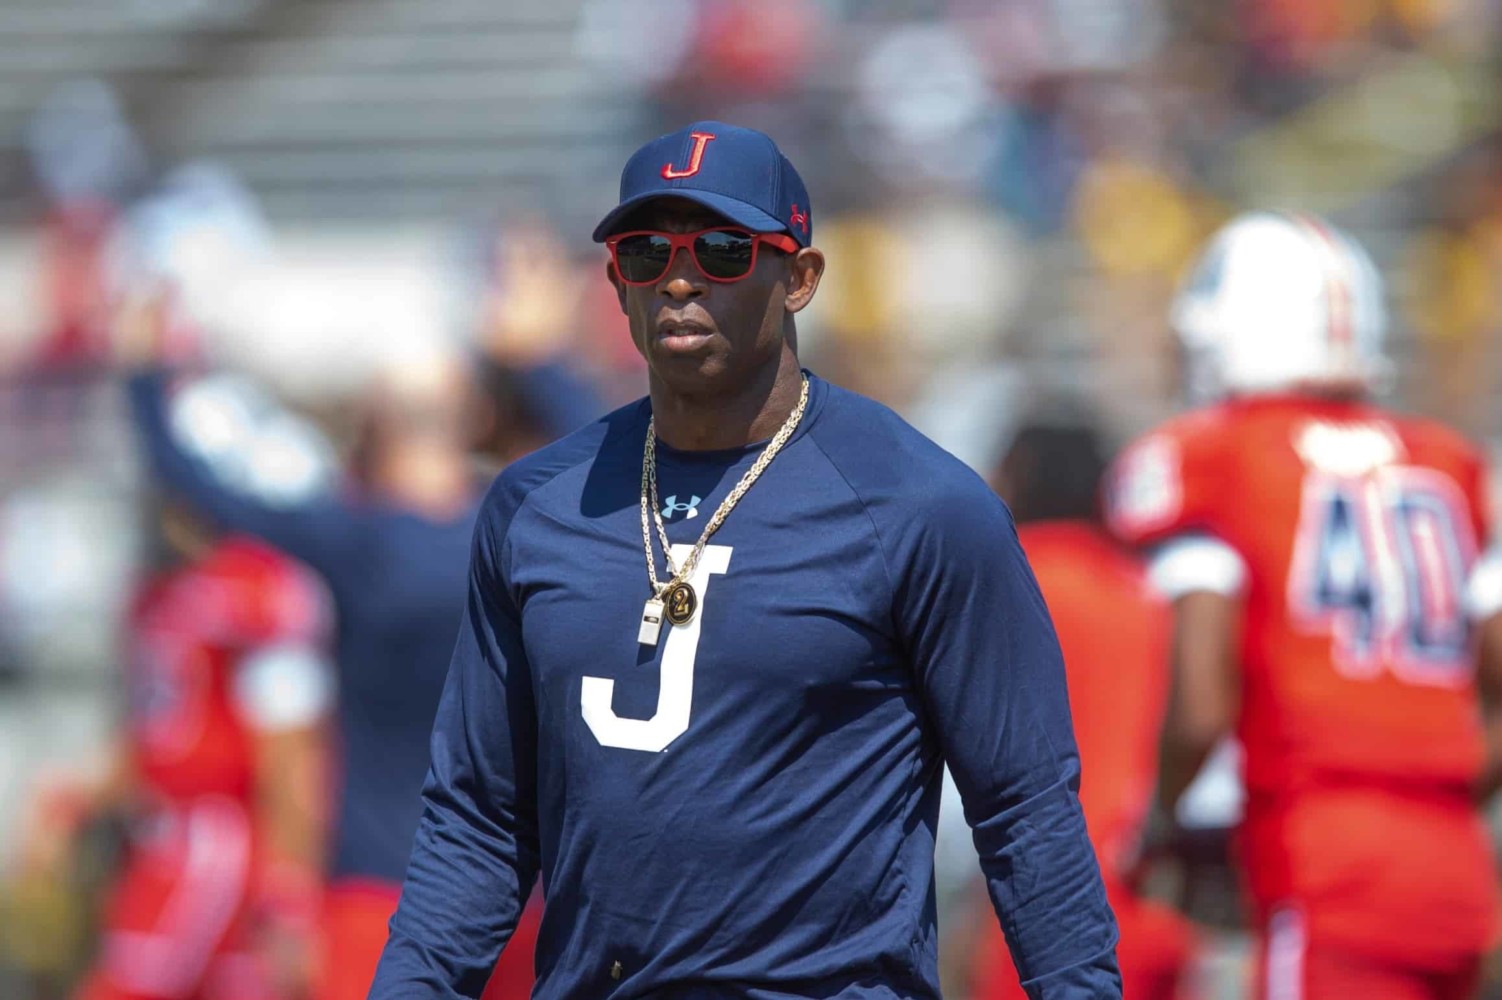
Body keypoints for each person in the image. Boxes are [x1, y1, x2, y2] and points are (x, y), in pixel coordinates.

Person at [370, 121, 1120, 999]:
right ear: (615, 283)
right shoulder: (536, 504)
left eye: (724, 250)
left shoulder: (921, 505)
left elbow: (1023, 808)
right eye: (646, 252)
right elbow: (480, 818)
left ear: (798, 277)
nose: (679, 279)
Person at [1105, 211, 1502, 1000]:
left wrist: (1162, 820)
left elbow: (1200, 706)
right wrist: (1442, 784)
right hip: (1457, 865)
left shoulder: (1218, 456)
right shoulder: (1450, 464)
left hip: (1320, 853)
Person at [116, 315, 538, 1000]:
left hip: (382, 892)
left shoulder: (354, 539)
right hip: (511, 887)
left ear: (371, 424)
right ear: (476, 418)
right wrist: (537, 359)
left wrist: (143, 376)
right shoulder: (524, 527)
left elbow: (200, 485)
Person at [17, 480, 333, 1000]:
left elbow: (292, 757)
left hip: (212, 845)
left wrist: (291, 896)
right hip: (167, 835)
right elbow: (153, 740)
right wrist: (73, 799)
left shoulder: (257, 589)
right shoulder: (156, 592)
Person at [969, 419, 1196, 1000]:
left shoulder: (1017, 579)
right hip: (1154, 897)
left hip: (1046, 908)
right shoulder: (1144, 587)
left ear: (1018, 478)